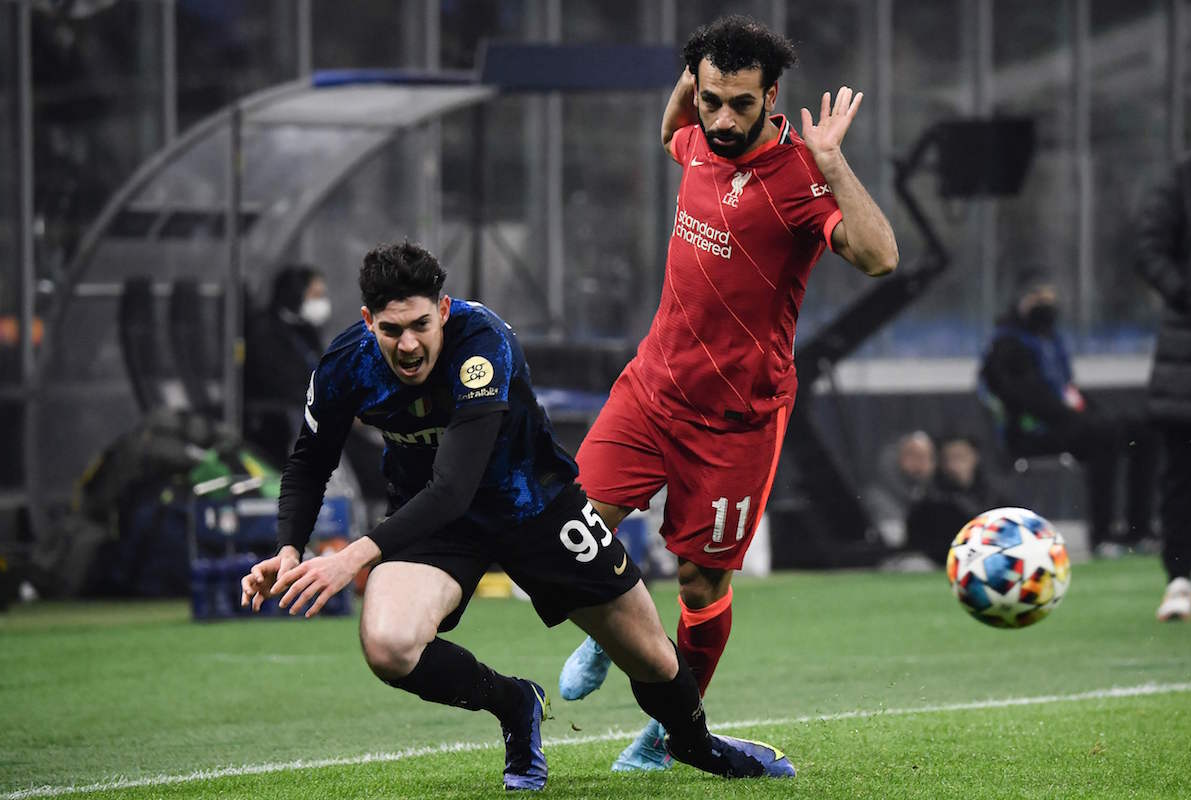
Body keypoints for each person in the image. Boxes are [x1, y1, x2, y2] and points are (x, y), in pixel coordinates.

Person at [239, 241, 797, 791]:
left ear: (444, 310)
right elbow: (309, 461)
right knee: (388, 645)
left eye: (419, 326)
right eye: (390, 330)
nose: (407, 345)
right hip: (434, 524)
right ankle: (515, 703)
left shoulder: (482, 345)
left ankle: (696, 744)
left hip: (537, 507)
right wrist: (289, 549)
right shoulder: (345, 365)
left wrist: (354, 556)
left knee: (652, 659)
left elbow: (455, 486)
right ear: (368, 322)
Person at [557, 15, 899, 771]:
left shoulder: (802, 180)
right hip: (651, 390)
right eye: (711, 98)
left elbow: (880, 256)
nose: (721, 119)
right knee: (569, 529)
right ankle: (608, 637)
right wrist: (694, 72)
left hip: (737, 421)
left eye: (740, 104)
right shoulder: (698, 142)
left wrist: (835, 162)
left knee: (702, 580)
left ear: (771, 97)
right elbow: (671, 127)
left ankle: (670, 732)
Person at [978, 269, 1158, 556]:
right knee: (1102, 435)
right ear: (1020, 300)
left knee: (1143, 433)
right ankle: (1103, 535)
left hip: (1065, 425)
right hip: (1027, 434)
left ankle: (1139, 531)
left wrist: (1094, 414)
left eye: (1049, 295)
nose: (1045, 303)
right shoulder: (1007, 344)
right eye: (1037, 296)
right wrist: (1084, 420)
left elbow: (1067, 390)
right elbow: (1029, 399)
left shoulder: (1050, 340)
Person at [1134, 150, 1191, 622]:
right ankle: (1179, 579)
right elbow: (1147, 248)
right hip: (1188, 355)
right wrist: (1185, 294)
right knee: (1181, 472)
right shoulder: (1185, 177)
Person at [243, 264, 331, 465]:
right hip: (277, 425)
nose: (321, 303)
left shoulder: (307, 331)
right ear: (295, 294)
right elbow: (277, 384)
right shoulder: (263, 331)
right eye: (315, 295)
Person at [905, 434, 1011, 564]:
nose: (953, 465)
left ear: (975, 457)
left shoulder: (993, 495)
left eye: (960, 457)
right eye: (948, 459)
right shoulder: (930, 499)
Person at [864, 430, 937, 543]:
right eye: (912, 455)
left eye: (927, 456)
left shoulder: (932, 495)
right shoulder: (876, 498)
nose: (921, 462)